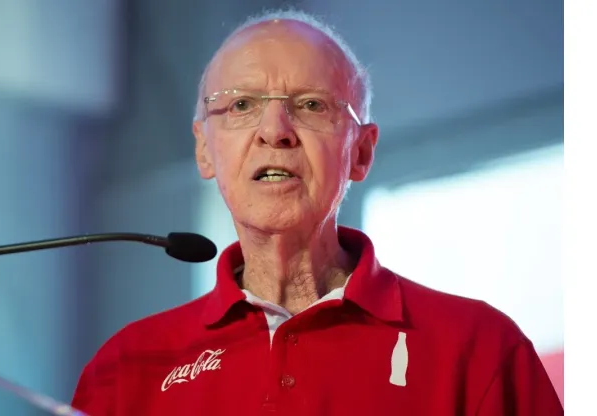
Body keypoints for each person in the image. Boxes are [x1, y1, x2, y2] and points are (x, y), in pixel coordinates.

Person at [71, 9, 563, 416]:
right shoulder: (126, 368)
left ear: (361, 153)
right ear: (204, 150)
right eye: (241, 105)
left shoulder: (478, 351)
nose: (274, 130)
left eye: (309, 105)